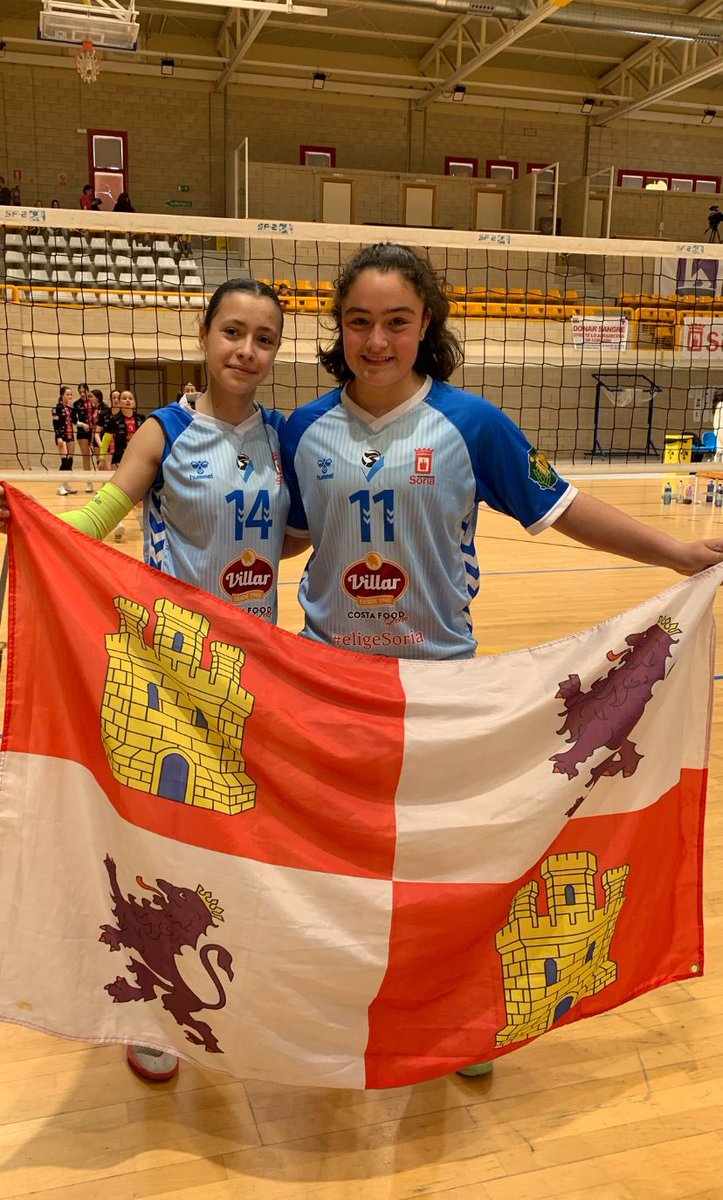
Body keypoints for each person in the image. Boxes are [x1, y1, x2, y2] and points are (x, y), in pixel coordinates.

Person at [280, 242, 723, 1075]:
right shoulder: (304, 429)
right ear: (337, 328)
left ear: (426, 326)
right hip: (329, 679)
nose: (375, 340)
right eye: (358, 322)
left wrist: (672, 554)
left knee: (443, 858)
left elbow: (559, 506)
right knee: (336, 851)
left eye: (396, 322)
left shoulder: (472, 423)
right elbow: (290, 533)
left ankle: (453, 1016)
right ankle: (344, 997)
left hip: (441, 680)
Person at [10, 278, 290, 1080]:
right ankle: (161, 1004)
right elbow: (108, 510)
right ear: (204, 336)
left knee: (241, 833)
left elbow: (287, 534)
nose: (247, 351)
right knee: (167, 838)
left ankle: (233, 971)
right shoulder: (164, 432)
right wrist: (38, 529)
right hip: (167, 673)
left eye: (263, 339)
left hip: (252, 669)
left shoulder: (282, 437)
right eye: (233, 332)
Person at [72, 382, 97, 491]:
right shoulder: (76, 404)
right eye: (80, 392)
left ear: (88, 391)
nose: (82, 394)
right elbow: (74, 420)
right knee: (86, 456)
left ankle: (103, 483)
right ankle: (89, 483)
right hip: (82, 432)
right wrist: (82, 425)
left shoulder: (92, 402)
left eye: (84, 392)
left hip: (94, 431)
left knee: (98, 456)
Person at [52, 386, 77, 496]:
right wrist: (59, 437)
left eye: (71, 394)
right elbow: (55, 425)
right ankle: (60, 486)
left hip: (70, 435)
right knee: (64, 461)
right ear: (62, 395)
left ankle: (66, 484)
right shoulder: (56, 408)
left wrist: (73, 408)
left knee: (70, 460)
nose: (70, 396)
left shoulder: (70, 408)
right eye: (67, 394)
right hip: (61, 436)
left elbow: (75, 421)